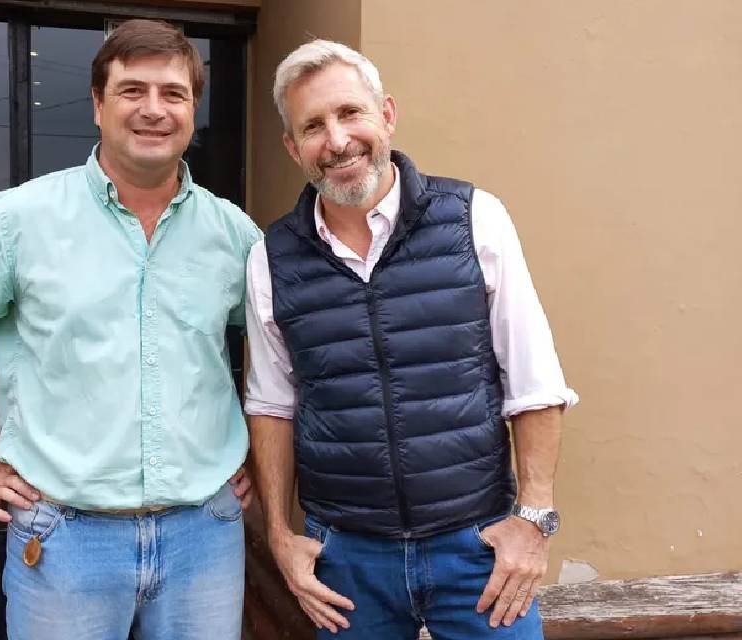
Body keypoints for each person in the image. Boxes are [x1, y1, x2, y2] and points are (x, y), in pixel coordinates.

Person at [0, 19, 260, 640]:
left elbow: (279, 349)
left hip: (206, 536)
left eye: (173, 93)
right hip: (65, 541)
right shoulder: (19, 220)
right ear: (97, 105)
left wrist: (254, 454)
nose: (154, 109)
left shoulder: (232, 233)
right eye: (132, 90)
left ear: (193, 109)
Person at [246, 40, 578, 640]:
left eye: (350, 113)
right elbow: (273, 404)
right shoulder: (271, 258)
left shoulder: (474, 218)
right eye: (313, 126)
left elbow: (534, 382)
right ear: (293, 147)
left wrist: (533, 521)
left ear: (387, 115)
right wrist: (278, 534)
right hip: (347, 559)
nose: (337, 140)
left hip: (477, 550)